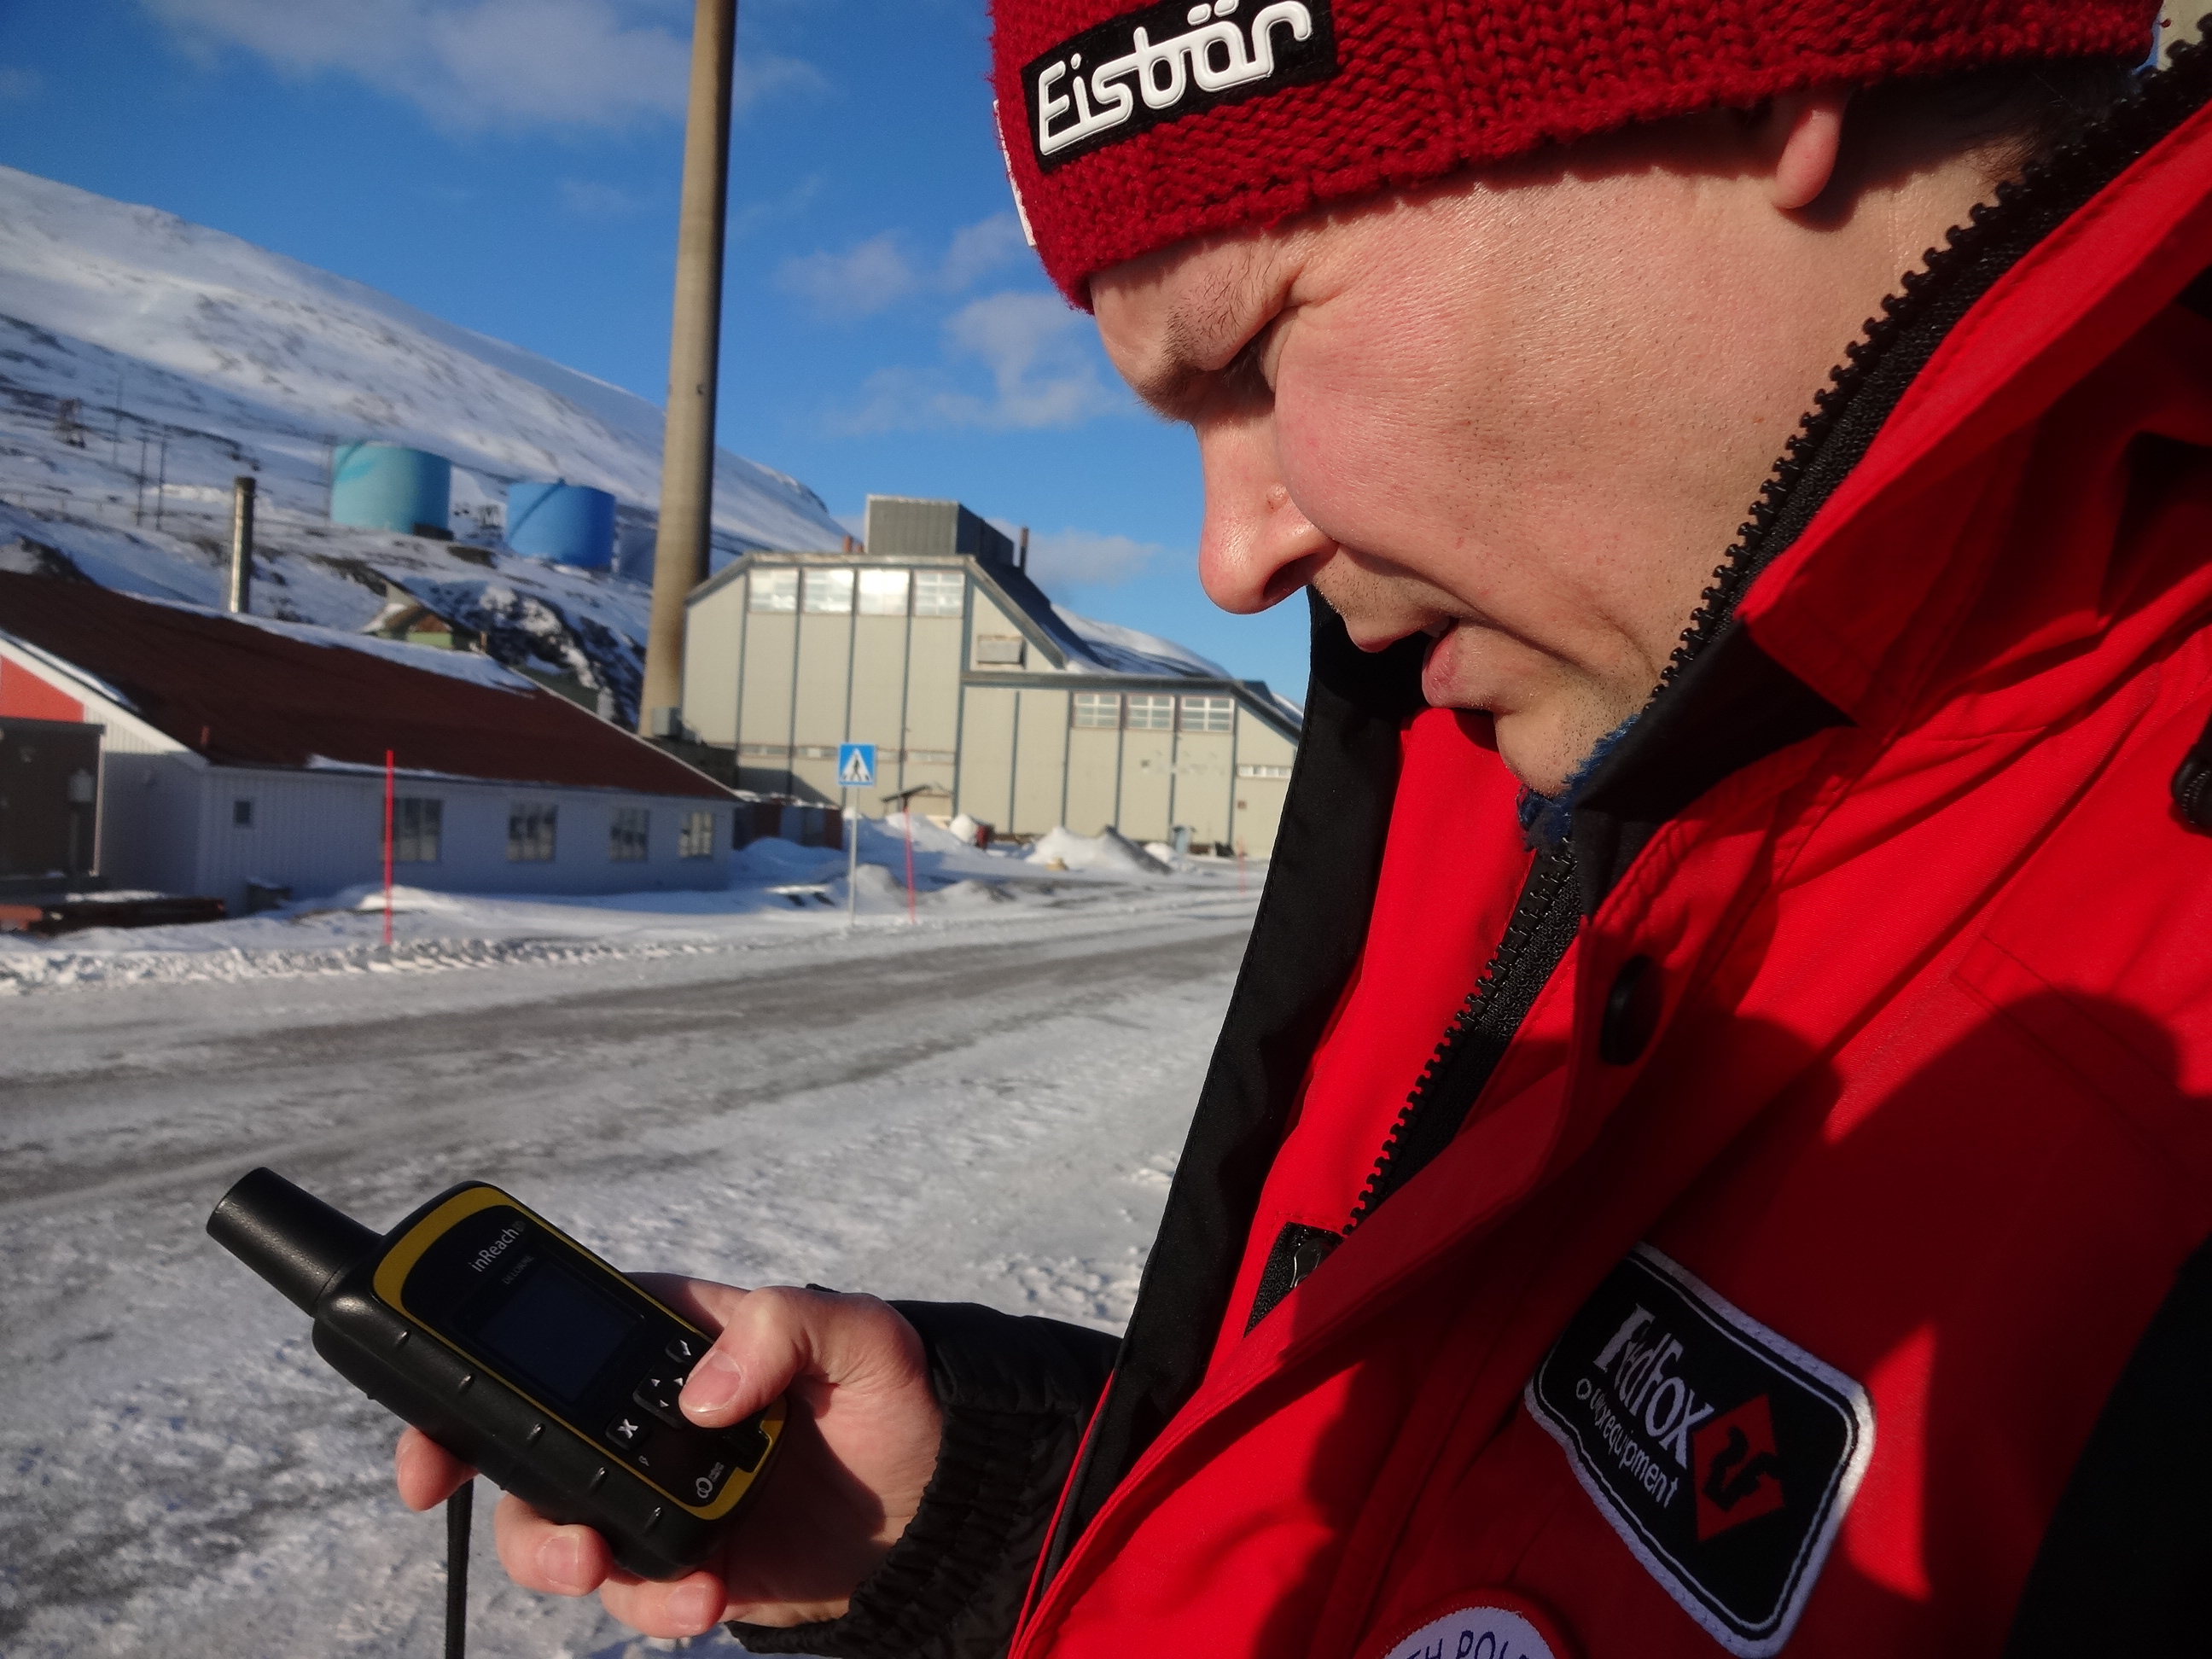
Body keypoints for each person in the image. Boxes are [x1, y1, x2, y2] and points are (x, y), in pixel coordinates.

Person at [399, 3, 2212, 1652]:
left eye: (1258, 353)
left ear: (1767, 54)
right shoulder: (1506, 760)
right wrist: (955, 1527)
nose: (1233, 557)